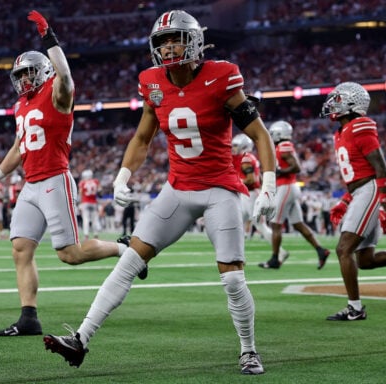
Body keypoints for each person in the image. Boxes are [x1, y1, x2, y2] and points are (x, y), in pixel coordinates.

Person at [43, 10, 276, 375]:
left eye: (176, 39)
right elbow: (142, 136)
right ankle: (81, 339)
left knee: (232, 277)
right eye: (163, 41)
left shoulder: (223, 76)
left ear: (195, 42)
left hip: (220, 190)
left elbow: (261, 135)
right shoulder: (151, 82)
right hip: (177, 189)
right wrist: (122, 175)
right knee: (129, 262)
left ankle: (248, 350)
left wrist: (269, 185)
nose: (169, 48)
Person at [0, 10, 144, 337]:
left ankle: (128, 249)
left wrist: (49, 37)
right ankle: (28, 317)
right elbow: (18, 147)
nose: (23, 80)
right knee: (20, 248)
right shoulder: (20, 105)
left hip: (54, 179)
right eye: (20, 75)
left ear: (44, 71)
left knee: (70, 253)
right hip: (30, 184)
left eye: (29, 73)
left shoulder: (57, 92)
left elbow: (66, 77)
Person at [320, 81, 386, 320]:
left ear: (352, 103)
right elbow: (359, 174)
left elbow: (380, 169)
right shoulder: (341, 132)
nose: (332, 103)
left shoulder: (360, 125)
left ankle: (355, 308)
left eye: (338, 99)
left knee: (343, 248)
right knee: (367, 261)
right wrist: (346, 199)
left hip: (370, 191)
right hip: (361, 191)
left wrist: (385, 204)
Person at [258, 121, 330, 269]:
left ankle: (275, 259)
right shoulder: (280, 147)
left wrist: (277, 172)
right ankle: (320, 250)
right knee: (298, 224)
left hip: (286, 187)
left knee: (275, 224)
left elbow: (296, 167)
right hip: (288, 188)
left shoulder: (284, 145)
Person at [231, 133, 289, 260]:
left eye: (236, 146)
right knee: (236, 223)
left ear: (244, 146)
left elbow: (251, 180)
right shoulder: (250, 157)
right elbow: (260, 178)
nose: (233, 148)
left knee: (260, 226)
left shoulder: (246, 158)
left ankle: (281, 252)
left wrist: (235, 182)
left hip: (250, 195)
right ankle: (235, 254)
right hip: (248, 195)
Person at [78, 169, 102, 240]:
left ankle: (86, 235)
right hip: (93, 202)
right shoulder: (95, 181)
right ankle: (95, 235)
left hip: (85, 202)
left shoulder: (82, 182)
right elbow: (100, 190)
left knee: (86, 219)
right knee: (94, 219)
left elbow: (80, 192)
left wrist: (80, 202)